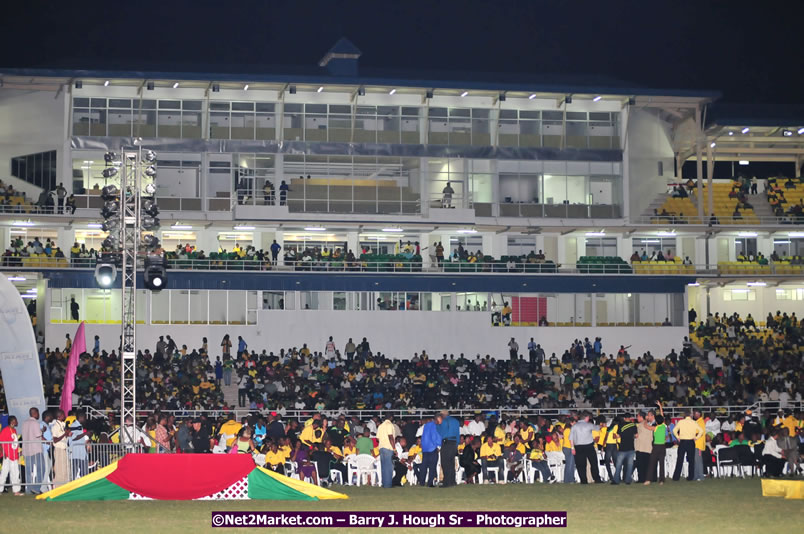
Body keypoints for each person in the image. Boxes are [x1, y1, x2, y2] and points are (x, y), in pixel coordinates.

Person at [569, 412, 602, 484]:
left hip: (578, 447)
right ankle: (597, 479)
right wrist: (601, 426)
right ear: (586, 418)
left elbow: (571, 439)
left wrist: (572, 448)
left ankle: (583, 480)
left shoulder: (574, 426)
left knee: (580, 465)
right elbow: (597, 428)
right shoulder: (589, 425)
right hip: (589, 446)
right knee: (593, 463)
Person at [21, 407, 45, 494]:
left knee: (28, 471)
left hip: (27, 450)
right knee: (41, 469)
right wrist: (42, 431)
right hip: (36, 449)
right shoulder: (35, 423)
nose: (38, 415)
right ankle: (36, 488)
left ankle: (28, 489)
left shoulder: (24, 423)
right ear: (35, 413)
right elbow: (38, 435)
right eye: (38, 413)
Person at [437, 410, 460, 487]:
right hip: (454, 443)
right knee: (451, 463)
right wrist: (456, 444)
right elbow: (458, 433)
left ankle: (446, 482)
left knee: (445, 463)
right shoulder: (456, 421)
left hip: (446, 443)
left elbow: (441, 432)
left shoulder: (444, 421)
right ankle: (452, 481)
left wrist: (437, 425)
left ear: (443, 415)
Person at [612, 415, 637, 485]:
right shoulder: (633, 425)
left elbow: (617, 435)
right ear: (630, 418)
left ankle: (616, 480)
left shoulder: (620, 425)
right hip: (631, 448)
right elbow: (636, 435)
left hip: (622, 448)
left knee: (618, 465)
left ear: (624, 418)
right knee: (630, 465)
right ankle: (628, 480)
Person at [0, 416, 22, 495]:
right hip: (8, 455)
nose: (17, 422)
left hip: (14, 455)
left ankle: (16, 490)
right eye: (16, 421)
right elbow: (1, 442)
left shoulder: (14, 430)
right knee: (4, 472)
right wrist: (4, 453)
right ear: (12, 422)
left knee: (15, 472)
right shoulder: (5, 430)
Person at [420, 414, 442, 486]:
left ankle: (422, 482)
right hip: (432, 448)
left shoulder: (426, 425)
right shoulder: (435, 426)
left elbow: (424, 436)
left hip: (425, 448)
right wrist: (439, 445)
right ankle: (430, 483)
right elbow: (435, 437)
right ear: (437, 419)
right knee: (432, 467)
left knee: (424, 466)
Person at [644, 414, 667, 485]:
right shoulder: (663, 426)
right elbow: (662, 415)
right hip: (663, 446)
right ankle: (661, 480)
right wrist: (660, 406)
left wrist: (646, 420)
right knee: (662, 463)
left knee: (652, 463)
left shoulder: (655, 428)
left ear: (656, 421)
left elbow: (646, 426)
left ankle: (648, 479)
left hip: (656, 447)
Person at [50, 409, 71, 487]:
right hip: (59, 449)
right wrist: (64, 434)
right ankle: (58, 486)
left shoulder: (62, 424)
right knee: (60, 469)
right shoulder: (55, 426)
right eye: (63, 414)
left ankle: (65, 485)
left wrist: (67, 434)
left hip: (64, 449)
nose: (64, 416)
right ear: (58, 417)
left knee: (66, 467)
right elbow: (55, 440)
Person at [68, 414, 91, 479]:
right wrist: (85, 433)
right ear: (81, 417)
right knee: (74, 472)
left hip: (81, 452)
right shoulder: (74, 426)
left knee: (84, 472)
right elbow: (74, 437)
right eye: (84, 418)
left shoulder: (80, 426)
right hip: (75, 452)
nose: (85, 419)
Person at [376, 416, 396, 488]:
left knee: (383, 467)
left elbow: (377, 439)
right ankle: (388, 485)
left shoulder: (380, 426)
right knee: (389, 467)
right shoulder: (389, 425)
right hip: (388, 447)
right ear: (391, 418)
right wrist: (394, 449)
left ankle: (384, 483)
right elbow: (390, 437)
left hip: (381, 447)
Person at [634, 411, 653, 483]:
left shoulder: (641, 425)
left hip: (640, 447)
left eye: (637, 416)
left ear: (641, 417)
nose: (637, 418)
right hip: (648, 448)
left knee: (640, 465)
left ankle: (641, 479)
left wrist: (635, 436)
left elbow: (638, 436)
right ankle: (646, 478)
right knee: (646, 464)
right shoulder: (649, 424)